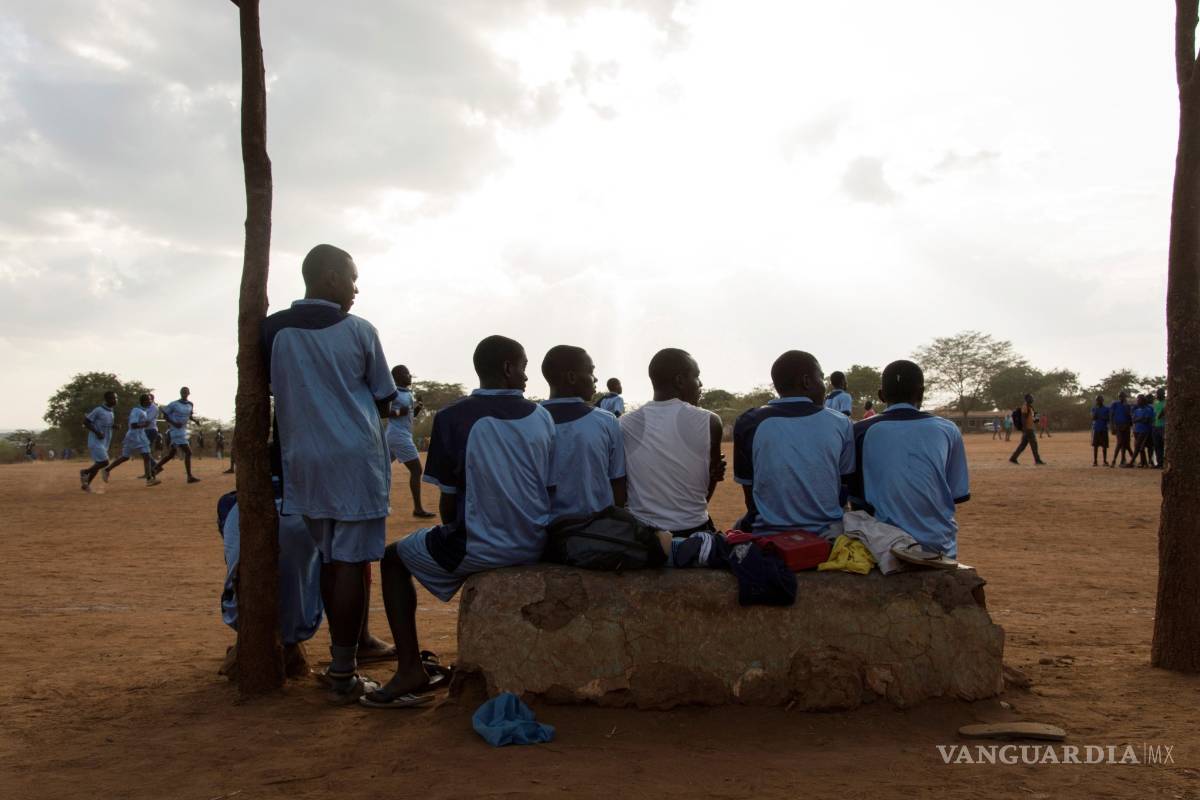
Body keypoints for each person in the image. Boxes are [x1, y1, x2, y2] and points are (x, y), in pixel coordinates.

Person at [363, 335, 554, 708]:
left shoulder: (452, 418)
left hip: (483, 545)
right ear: (507, 368)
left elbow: (449, 505)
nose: (527, 377)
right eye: (524, 367)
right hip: (537, 540)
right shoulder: (542, 416)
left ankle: (409, 669)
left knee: (392, 558)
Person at [262, 243, 397, 702]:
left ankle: (340, 661)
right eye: (353, 278)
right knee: (349, 562)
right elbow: (384, 395)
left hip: (302, 462)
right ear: (332, 277)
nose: (357, 289)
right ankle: (343, 675)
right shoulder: (359, 330)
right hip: (355, 462)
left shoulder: (271, 330)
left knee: (328, 554)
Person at [846, 360, 969, 557]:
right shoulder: (948, 430)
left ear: (881, 395)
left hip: (885, 546)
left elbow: (854, 495)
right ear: (921, 393)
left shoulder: (860, 431)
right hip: (939, 545)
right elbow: (957, 494)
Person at [733, 350, 854, 536]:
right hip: (826, 533)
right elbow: (844, 484)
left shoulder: (749, 422)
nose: (824, 387)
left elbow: (750, 496)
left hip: (768, 535)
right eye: (821, 379)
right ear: (806, 381)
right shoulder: (841, 422)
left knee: (737, 528)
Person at [619, 348, 725, 536]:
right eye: (697, 376)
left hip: (643, 536)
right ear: (680, 381)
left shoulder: (625, 423)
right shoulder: (709, 421)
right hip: (694, 529)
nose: (700, 384)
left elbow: (621, 484)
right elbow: (708, 485)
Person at [541, 345, 627, 518]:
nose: (595, 379)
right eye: (591, 372)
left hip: (544, 531)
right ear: (572, 377)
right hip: (596, 530)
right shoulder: (606, 421)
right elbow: (618, 480)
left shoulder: (529, 421)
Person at [386, 365, 435, 518]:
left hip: (398, 436)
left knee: (382, 470)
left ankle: (380, 502)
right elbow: (384, 412)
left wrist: (418, 407)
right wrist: (402, 411)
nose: (409, 376)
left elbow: (410, 416)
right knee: (416, 470)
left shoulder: (407, 393)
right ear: (397, 377)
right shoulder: (393, 394)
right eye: (406, 373)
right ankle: (418, 509)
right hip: (399, 436)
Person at [102, 394, 162, 486]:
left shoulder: (143, 410)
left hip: (140, 435)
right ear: (144, 401)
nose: (150, 402)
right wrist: (144, 425)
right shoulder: (136, 411)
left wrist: (144, 425)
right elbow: (133, 425)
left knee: (145, 455)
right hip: (133, 436)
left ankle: (149, 478)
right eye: (149, 400)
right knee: (126, 457)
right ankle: (106, 469)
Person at [154, 387, 199, 483]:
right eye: (183, 392)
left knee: (171, 454)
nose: (185, 394)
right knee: (188, 452)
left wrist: (195, 420)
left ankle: (154, 468)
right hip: (175, 431)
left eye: (186, 392)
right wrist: (174, 423)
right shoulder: (174, 404)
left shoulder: (190, 404)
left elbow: (189, 416)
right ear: (180, 393)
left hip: (183, 430)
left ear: (189, 393)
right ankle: (189, 477)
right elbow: (165, 415)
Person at [80, 391, 117, 491]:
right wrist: (97, 432)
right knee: (105, 462)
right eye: (113, 398)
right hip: (95, 441)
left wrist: (114, 426)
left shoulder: (111, 411)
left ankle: (86, 484)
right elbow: (86, 422)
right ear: (107, 399)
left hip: (105, 442)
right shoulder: (98, 410)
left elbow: (106, 424)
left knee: (98, 464)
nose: (115, 400)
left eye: (116, 398)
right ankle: (85, 472)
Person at [1008, 393, 1046, 465]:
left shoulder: (1030, 407)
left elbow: (1034, 418)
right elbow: (1023, 418)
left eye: (1032, 398)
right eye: (1031, 398)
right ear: (1027, 399)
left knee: (1023, 445)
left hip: (1029, 428)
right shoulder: (1025, 407)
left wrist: (1037, 419)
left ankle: (1013, 458)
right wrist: (1025, 429)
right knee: (1034, 444)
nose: (1032, 399)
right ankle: (1037, 460)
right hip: (1028, 429)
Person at [1129, 395, 1154, 469]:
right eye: (1137, 400)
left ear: (1143, 401)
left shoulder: (1148, 410)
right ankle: (1144, 463)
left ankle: (1131, 462)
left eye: (1138, 400)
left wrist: (1138, 419)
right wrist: (1141, 419)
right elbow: (1133, 420)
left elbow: (1146, 420)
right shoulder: (1137, 410)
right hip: (1137, 430)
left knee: (1138, 446)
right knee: (1140, 447)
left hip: (1144, 430)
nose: (1137, 401)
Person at [1109, 392, 1134, 468]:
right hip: (1118, 426)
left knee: (1126, 444)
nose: (1121, 398)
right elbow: (1111, 415)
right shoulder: (1115, 404)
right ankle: (1114, 460)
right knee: (1119, 443)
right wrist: (1112, 426)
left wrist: (1130, 426)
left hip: (1126, 426)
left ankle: (1124, 460)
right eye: (1120, 397)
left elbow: (1130, 417)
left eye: (1123, 397)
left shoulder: (1127, 406)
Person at [1090, 395, 1111, 467]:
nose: (1098, 401)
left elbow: (1108, 418)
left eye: (1100, 400)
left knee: (1104, 446)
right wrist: (1098, 415)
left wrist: (1100, 416)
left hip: (1104, 429)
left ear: (1102, 401)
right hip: (1096, 429)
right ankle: (1095, 461)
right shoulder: (1094, 409)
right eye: (1097, 400)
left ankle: (1104, 460)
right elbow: (1093, 418)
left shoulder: (1106, 409)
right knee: (1095, 446)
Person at [1153, 388, 1166, 469]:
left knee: (1164, 446)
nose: (1156, 395)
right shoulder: (1156, 403)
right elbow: (1155, 414)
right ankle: (1159, 463)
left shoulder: (1167, 402)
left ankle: (1165, 463)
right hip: (1156, 426)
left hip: (1164, 426)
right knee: (1157, 446)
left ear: (1162, 394)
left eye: (1158, 394)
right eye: (1156, 393)